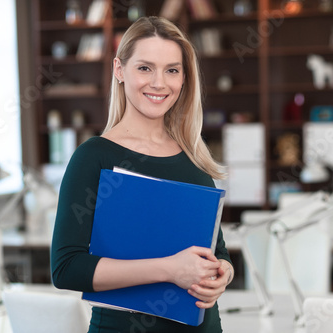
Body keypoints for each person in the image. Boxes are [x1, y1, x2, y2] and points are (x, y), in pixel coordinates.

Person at [50, 16, 234, 333]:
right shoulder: (94, 156)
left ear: (184, 78)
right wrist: (169, 270)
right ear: (119, 70)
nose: (159, 82)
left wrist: (223, 274)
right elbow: (66, 268)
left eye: (172, 70)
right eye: (145, 68)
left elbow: (217, 253)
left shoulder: (192, 157)